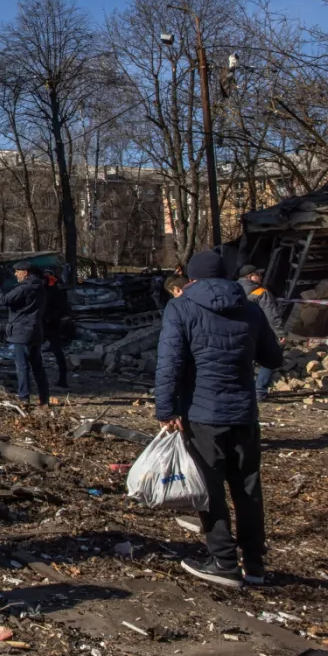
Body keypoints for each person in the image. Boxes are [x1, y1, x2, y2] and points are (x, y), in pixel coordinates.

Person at [156, 249, 283, 588]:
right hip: (244, 413)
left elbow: (170, 363)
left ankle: (223, 561)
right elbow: (273, 357)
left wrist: (165, 411)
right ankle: (255, 565)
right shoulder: (251, 309)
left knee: (210, 489)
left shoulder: (180, 307)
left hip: (202, 414)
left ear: (192, 278)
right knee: (248, 490)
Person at [0, 261, 49, 406]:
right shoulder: (40, 287)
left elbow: (4, 300)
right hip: (36, 331)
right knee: (37, 366)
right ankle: (44, 398)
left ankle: (24, 398)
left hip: (21, 331)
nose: (16, 274)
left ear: (25, 272)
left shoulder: (23, 288)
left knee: (22, 367)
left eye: (17, 271)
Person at [236, 265, 287, 400]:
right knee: (268, 360)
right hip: (259, 333)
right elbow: (272, 316)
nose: (261, 277)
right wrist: (280, 333)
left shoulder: (233, 290)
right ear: (250, 277)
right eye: (258, 274)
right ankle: (259, 391)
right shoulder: (261, 293)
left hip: (237, 333)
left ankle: (243, 391)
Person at [42, 269, 70, 389]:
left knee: (56, 351)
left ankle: (62, 380)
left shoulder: (54, 290)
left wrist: (50, 318)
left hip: (49, 324)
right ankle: (62, 380)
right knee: (56, 351)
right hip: (48, 323)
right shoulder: (52, 289)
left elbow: (62, 309)